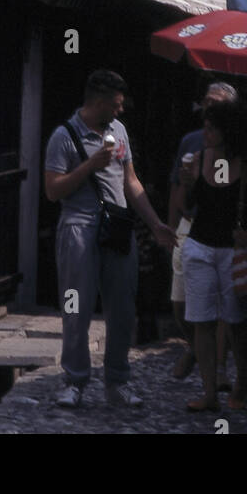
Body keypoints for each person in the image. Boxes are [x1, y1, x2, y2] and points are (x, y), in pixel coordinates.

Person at [43, 69, 176, 409]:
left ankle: (117, 382)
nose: (120, 111)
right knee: (77, 309)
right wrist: (89, 165)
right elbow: (52, 190)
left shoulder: (119, 131)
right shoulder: (64, 135)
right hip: (79, 228)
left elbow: (130, 182)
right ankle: (74, 381)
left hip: (117, 228)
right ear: (98, 103)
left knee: (123, 310)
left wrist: (156, 223)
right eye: (115, 105)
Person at [178, 100, 247, 412]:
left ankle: (242, 382)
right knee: (202, 320)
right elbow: (186, 206)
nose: (204, 133)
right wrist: (187, 182)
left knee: (236, 321)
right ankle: (209, 393)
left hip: (233, 253)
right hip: (200, 246)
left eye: (211, 128)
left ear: (228, 131)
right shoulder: (199, 158)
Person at [167, 82, 237, 379]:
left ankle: (217, 367)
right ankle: (196, 347)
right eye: (207, 101)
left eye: (217, 103)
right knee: (180, 303)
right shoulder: (191, 141)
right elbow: (176, 188)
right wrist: (168, 228)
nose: (209, 107)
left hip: (218, 231)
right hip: (188, 226)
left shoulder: (237, 145)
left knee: (217, 305)